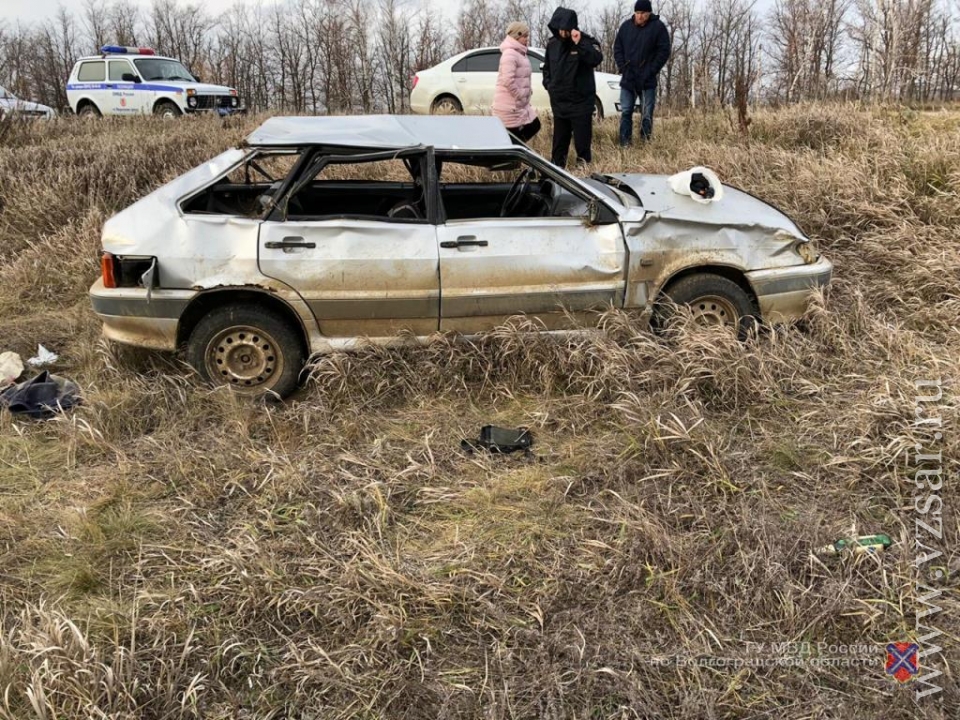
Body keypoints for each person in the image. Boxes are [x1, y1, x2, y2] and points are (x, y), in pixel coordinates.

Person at [542, 7, 603, 168]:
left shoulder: (587, 42)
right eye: (560, 30)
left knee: (582, 147)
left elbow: (595, 59)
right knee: (558, 149)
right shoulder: (552, 45)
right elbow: (547, 68)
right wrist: (549, 86)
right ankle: (556, 176)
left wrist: (580, 42)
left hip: (580, 104)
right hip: (559, 104)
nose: (562, 33)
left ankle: (583, 177)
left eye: (565, 30)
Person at [614, 0, 671, 145]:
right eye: (637, 13)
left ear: (649, 13)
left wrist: (652, 70)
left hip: (647, 79)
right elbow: (617, 48)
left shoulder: (658, 27)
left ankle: (645, 143)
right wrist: (623, 67)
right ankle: (625, 143)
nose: (639, 16)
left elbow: (664, 51)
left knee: (646, 114)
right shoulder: (626, 27)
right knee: (626, 111)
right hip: (628, 77)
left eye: (643, 13)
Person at [492, 21, 541, 142]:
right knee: (513, 138)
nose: (527, 39)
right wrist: (519, 95)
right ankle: (512, 155)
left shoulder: (520, 53)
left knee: (534, 125)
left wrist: (527, 92)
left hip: (519, 105)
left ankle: (513, 154)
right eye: (524, 36)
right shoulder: (510, 54)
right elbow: (508, 80)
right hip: (510, 106)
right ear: (516, 36)